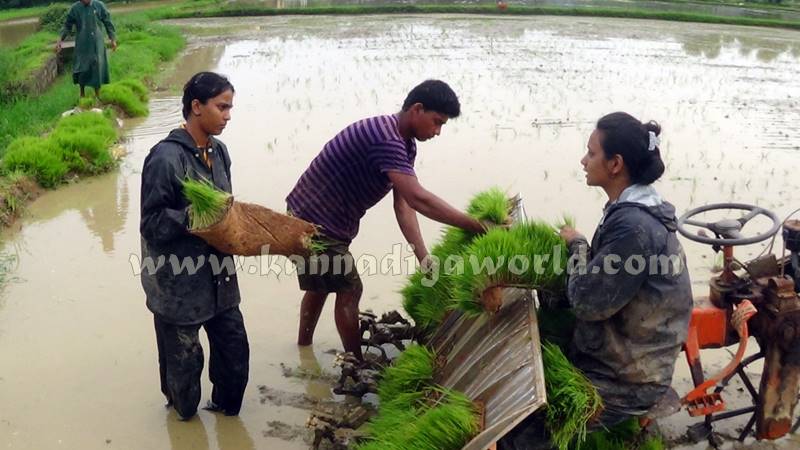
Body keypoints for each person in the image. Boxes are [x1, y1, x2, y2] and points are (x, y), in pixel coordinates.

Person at [500, 112, 693, 449]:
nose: (584, 160)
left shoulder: (634, 226)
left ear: (615, 164)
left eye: (591, 153)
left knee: (520, 436)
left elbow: (587, 303)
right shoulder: (629, 211)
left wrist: (577, 246)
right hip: (619, 356)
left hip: (627, 380)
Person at [286, 79, 486, 360]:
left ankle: (303, 349)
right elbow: (419, 198)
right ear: (417, 109)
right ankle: (355, 362)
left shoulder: (405, 145)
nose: (438, 131)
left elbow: (404, 204)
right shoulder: (386, 138)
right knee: (349, 287)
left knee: (323, 284)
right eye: (436, 122)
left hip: (323, 219)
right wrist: (476, 225)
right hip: (312, 222)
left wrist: (422, 255)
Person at [140, 72, 248, 420]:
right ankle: (183, 419)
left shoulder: (220, 152)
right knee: (184, 376)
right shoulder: (165, 158)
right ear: (196, 107)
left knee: (235, 357)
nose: (228, 115)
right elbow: (151, 224)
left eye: (230, 107)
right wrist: (192, 216)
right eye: (222, 107)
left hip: (220, 278)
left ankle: (223, 412)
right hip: (179, 285)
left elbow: (226, 211)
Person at [55, 0, 117, 98]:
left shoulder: (99, 5)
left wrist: (112, 38)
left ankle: (97, 94)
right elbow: (67, 26)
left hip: (97, 42)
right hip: (82, 42)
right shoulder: (75, 9)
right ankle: (82, 93)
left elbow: (107, 22)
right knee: (81, 67)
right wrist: (60, 40)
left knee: (96, 65)